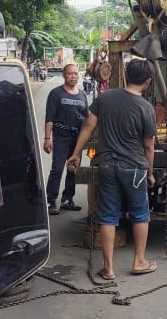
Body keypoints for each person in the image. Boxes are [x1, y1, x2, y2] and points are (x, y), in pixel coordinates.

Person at [66, 59, 158, 281]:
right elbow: (148, 145)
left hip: (106, 165)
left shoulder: (105, 98)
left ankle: (108, 269)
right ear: (148, 82)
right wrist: (150, 172)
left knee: (108, 215)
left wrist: (77, 153)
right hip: (134, 167)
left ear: (126, 76)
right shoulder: (146, 108)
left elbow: (89, 126)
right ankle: (139, 261)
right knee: (140, 214)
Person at [44, 64, 89, 216]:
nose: (73, 76)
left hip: (77, 137)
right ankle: (51, 201)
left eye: (76, 74)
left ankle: (67, 199)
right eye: (70, 74)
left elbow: (88, 119)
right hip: (61, 135)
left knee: (73, 168)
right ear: (64, 75)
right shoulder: (56, 93)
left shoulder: (82, 95)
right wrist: (47, 138)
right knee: (57, 168)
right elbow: (49, 117)